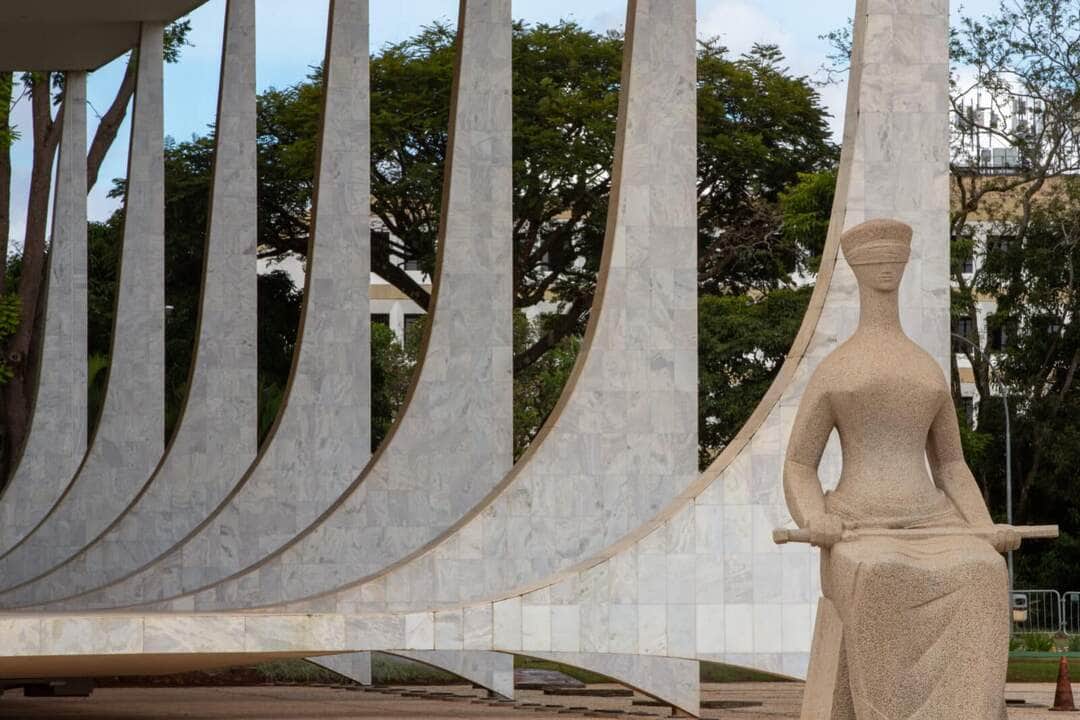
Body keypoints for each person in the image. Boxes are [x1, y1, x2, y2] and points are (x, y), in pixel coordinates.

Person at [783, 218, 1019, 719]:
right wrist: (815, 517)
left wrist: (981, 527)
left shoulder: (926, 368)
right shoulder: (836, 369)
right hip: (859, 525)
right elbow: (800, 464)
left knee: (984, 570)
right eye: (877, 260)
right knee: (882, 572)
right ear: (858, 269)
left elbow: (951, 465)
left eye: (895, 259)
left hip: (933, 521)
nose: (887, 266)